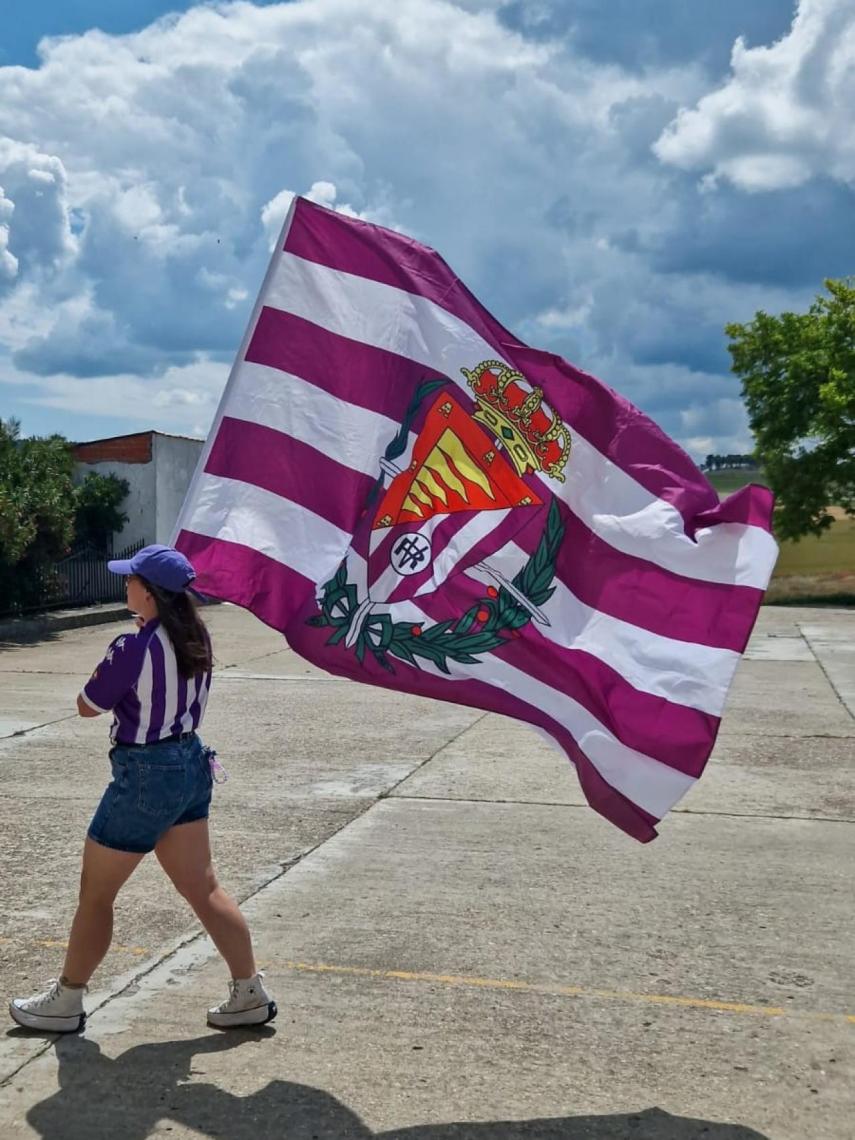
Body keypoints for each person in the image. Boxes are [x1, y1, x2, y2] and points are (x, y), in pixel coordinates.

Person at [9, 544, 277, 1034]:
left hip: (145, 772)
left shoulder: (132, 647)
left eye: (131, 578)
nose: (124, 585)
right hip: (191, 764)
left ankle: (66, 1000)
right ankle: (249, 990)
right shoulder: (196, 637)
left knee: (96, 893)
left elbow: (88, 704)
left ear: (149, 594)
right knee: (204, 886)